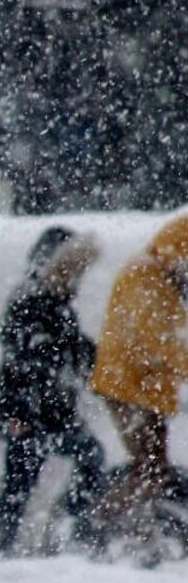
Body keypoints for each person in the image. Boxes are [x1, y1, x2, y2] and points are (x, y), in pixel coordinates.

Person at [0, 228, 105, 552]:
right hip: (28, 411)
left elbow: (69, 349)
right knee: (20, 482)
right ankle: (6, 543)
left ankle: (65, 523)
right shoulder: (30, 300)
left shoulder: (56, 302)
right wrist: (18, 414)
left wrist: (97, 359)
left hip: (50, 410)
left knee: (84, 458)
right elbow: (23, 360)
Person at [90, 214, 188, 549]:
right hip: (129, 388)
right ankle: (97, 526)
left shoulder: (159, 276)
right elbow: (168, 340)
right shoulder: (145, 277)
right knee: (150, 471)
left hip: (143, 390)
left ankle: (138, 533)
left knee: (153, 470)